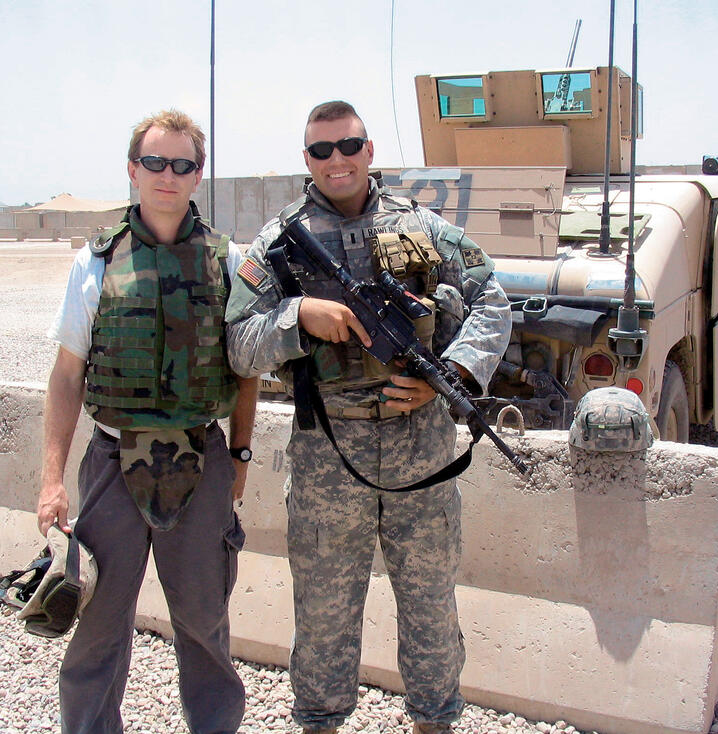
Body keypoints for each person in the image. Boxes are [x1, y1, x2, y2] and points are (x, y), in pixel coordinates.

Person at [224, 101, 510, 734]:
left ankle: (435, 721)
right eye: (321, 150)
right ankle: (321, 721)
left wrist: (454, 376)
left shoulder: (427, 230)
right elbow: (239, 344)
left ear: (369, 149)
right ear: (306, 160)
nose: (337, 160)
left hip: (425, 452)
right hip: (329, 458)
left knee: (431, 607)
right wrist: (298, 318)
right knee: (324, 614)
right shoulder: (276, 244)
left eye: (348, 145)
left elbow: (493, 300)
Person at [37, 108, 258, 734]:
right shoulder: (96, 261)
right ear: (133, 170)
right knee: (99, 624)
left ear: (198, 175)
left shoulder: (227, 261)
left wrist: (239, 457)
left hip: (201, 459)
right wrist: (52, 479)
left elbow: (247, 372)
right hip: (112, 462)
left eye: (182, 164)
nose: (168, 175)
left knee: (202, 620)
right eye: (155, 163)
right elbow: (66, 376)